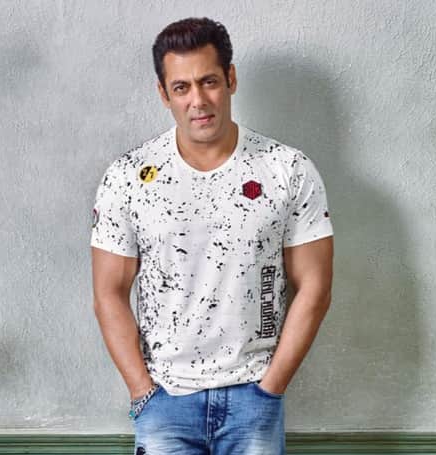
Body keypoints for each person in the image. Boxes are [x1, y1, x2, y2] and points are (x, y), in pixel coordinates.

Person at [91, 17, 334, 455]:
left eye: (209, 82)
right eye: (181, 87)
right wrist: (143, 392)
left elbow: (314, 287)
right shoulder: (128, 178)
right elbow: (108, 292)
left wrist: (270, 389)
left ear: (231, 79)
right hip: (166, 400)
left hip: (254, 396)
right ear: (163, 94)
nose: (198, 101)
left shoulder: (287, 170)